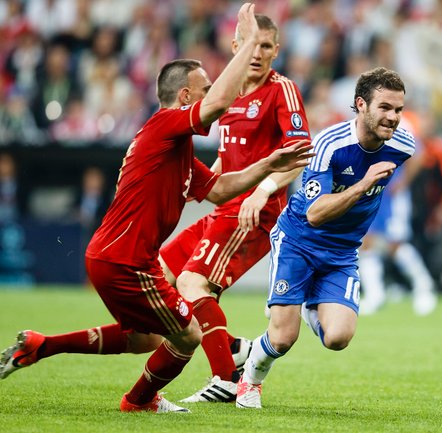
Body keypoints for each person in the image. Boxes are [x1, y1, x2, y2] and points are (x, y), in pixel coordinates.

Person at [0, 3, 313, 414]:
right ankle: (149, 398)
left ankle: (44, 345)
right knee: (187, 335)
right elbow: (218, 104)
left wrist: (267, 167)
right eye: (203, 89)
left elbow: (220, 189)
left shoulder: (178, 150)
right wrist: (249, 43)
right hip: (126, 260)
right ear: (185, 97)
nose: (213, 95)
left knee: (145, 339)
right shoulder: (165, 125)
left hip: (118, 257)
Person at [236, 67, 413, 409]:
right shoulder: (330, 144)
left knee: (338, 338)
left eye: (398, 110)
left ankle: (305, 303)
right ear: (361, 105)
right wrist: (363, 185)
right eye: (385, 108)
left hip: (343, 252)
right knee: (284, 338)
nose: (393, 118)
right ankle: (250, 381)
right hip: (299, 242)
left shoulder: (403, 144)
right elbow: (315, 213)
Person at [158, 14, 312, 404]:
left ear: (276, 50)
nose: (257, 54)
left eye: (265, 46)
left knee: (193, 284)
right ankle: (235, 349)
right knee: (162, 273)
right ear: (235, 47)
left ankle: (226, 379)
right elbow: (230, 158)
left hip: (256, 212)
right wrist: (201, 183)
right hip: (225, 208)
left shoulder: (282, 90)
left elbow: (299, 156)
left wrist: (262, 192)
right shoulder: (227, 94)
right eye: (249, 43)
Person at [358, 112, 437, 316]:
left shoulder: (404, 122)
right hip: (373, 190)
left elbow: (418, 155)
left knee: (395, 244)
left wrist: (403, 182)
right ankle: (376, 294)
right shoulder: (366, 118)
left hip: (394, 195)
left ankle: (424, 286)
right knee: (366, 241)